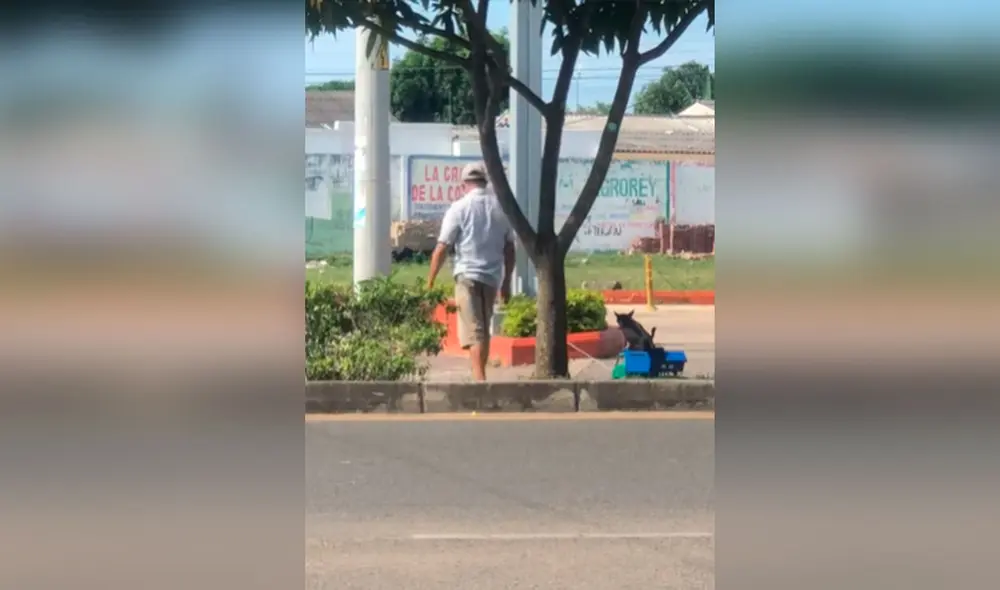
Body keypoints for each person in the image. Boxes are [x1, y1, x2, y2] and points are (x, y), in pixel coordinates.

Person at [426, 162, 515, 381]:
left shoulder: (459, 208)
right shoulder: (500, 208)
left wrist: (430, 282)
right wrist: (506, 283)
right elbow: (509, 248)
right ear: (485, 181)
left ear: (465, 183)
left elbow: (442, 247)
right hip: (492, 277)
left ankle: (479, 381)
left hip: (467, 276)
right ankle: (479, 374)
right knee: (483, 330)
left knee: (474, 332)